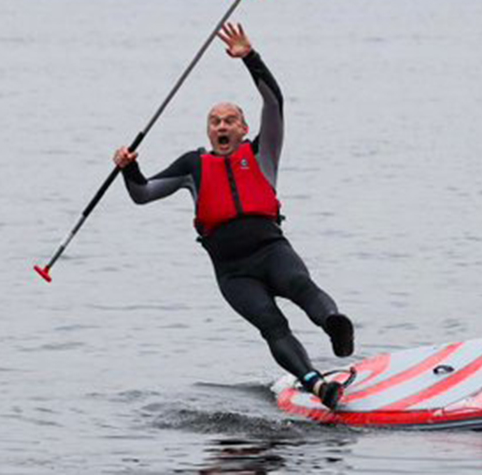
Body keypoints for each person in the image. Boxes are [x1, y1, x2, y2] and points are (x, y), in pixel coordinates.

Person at [113, 22, 354, 409]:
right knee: (271, 325)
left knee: (300, 285)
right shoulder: (192, 165)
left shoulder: (263, 153)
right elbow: (142, 194)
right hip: (233, 272)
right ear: (209, 130)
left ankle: (335, 325)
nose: (221, 125)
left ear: (243, 128)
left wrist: (250, 59)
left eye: (229, 120)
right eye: (215, 121)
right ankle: (316, 384)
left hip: (272, 251)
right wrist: (129, 168)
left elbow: (274, 102)